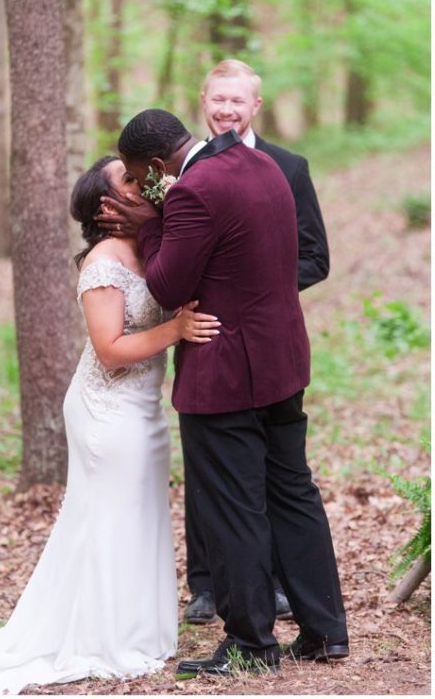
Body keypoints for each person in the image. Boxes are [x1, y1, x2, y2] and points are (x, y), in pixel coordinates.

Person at [0, 156, 220, 694]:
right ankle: (105, 635)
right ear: (105, 207)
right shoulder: (104, 261)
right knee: (112, 512)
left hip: (143, 406)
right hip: (107, 405)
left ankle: (138, 627)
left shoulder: (149, 246)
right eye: (127, 179)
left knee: (139, 510)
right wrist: (176, 329)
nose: (140, 181)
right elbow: (109, 351)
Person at [99, 109, 348, 677]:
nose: (138, 188)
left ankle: (250, 644)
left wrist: (149, 222)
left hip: (227, 373)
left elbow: (166, 285)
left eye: (139, 177)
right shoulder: (261, 163)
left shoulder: (193, 191)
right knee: (293, 493)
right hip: (282, 360)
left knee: (233, 508)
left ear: (159, 165)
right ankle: (325, 630)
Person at [182, 58, 331, 625]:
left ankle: (273, 583)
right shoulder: (186, 168)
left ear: (256, 107)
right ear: (203, 99)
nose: (226, 110)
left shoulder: (288, 167)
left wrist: (258, 290)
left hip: (268, 342)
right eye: (217, 100)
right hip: (203, 336)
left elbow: (315, 256)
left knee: (269, 468)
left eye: (237, 101)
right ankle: (205, 582)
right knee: (207, 466)